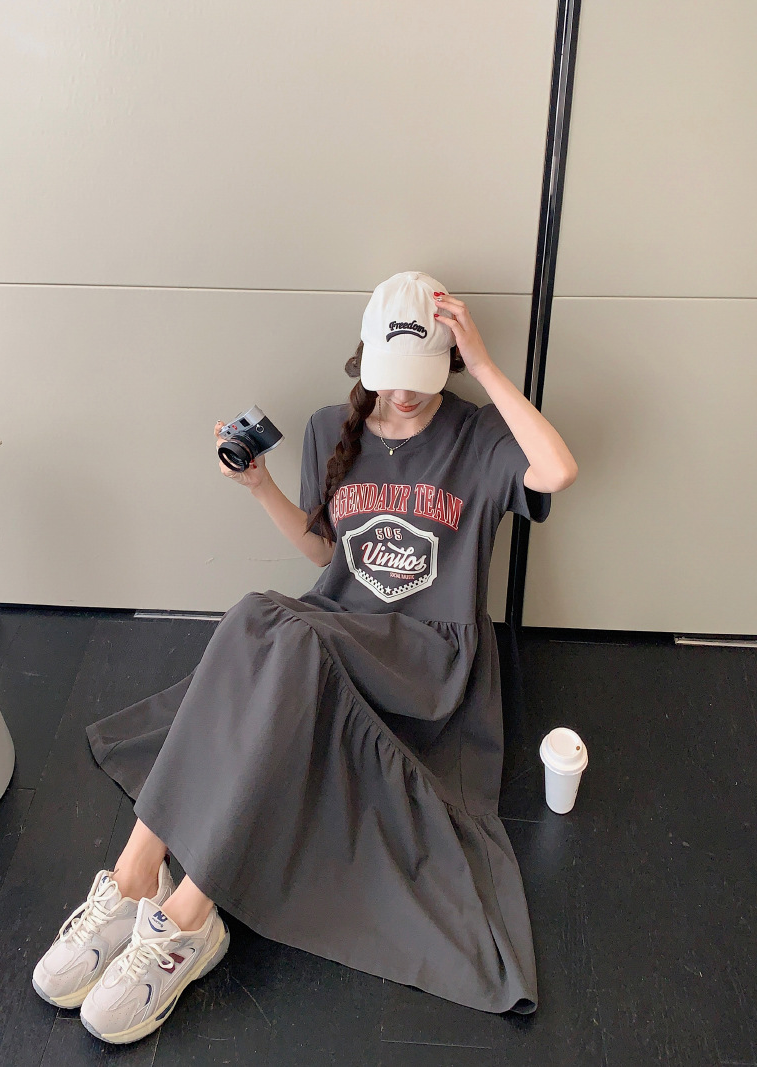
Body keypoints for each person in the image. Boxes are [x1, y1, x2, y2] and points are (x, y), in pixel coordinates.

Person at [32, 270, 578, 1044]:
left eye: (422, 377)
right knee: (257, 618)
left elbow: (557, 471)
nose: (405, 395)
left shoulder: (479, 435)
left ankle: (190, 916)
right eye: (391, 377)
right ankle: (133, 876)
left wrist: (485, 364)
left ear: (448, 362)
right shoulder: (331, 428)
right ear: (365, 357)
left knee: (271, 627)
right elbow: (327, 552)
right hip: (340, 624)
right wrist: (259, 487)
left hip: (427, 659)